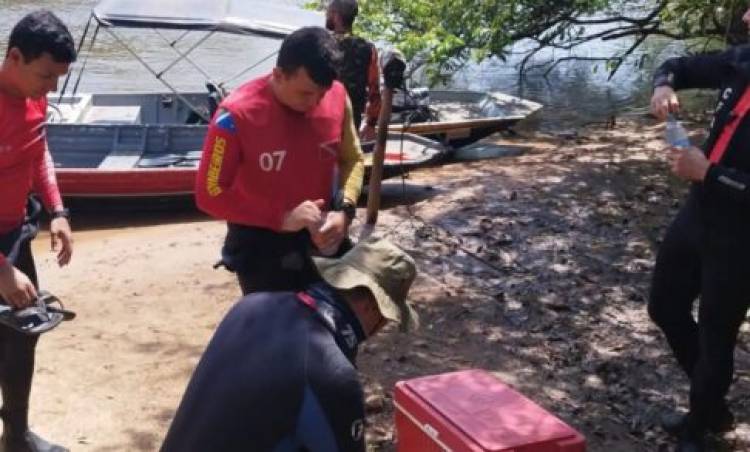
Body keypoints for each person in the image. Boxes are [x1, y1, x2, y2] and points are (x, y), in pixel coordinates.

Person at [160, 237, 418, 452]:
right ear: (372, 306)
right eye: (386, 318)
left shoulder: (251, 305)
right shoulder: (334, 374)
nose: (382, 327)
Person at [195, 26, 365, 295]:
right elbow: (210, 193)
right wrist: (281, 217)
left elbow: (353, 159)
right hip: (260, 242)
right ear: (278, 75)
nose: (315, 102)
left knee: (331, 326)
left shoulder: (338, 96)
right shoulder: (233, 116)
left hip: (320, 235)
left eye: (322, 93)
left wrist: (345, 212)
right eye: (306, 93)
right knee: (275, 329)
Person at [648, 6, 750, 452]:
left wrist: (708, 172)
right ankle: (713, 408)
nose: (746, 18)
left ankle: (699, 426)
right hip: (699, 212)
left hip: (742, 234)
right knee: (664, 306)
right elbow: (677, 65)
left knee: (716, 330)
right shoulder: (741, 61)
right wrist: (663, 86)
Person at [0, 10, 76, 452]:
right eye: (46, 75)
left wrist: (58, 210)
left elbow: (37, 150)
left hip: (15, 234)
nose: (51, 88)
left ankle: (16, 437)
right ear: (14, 57)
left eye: (57, 79)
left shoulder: (35, 97)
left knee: (22, 338)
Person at [326, 0, 382, 141]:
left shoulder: (321, 43)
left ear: (336, 16)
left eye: (328, 12)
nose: (326, 16)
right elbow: (375, 88)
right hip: (351, 123)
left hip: (321, 118)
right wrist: (371, 124)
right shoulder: (368, 48)